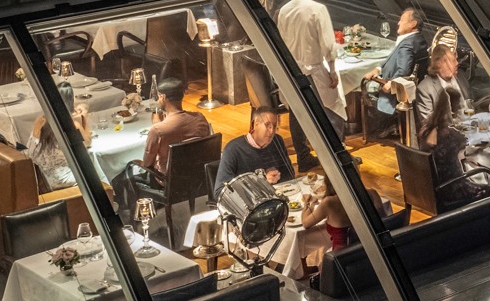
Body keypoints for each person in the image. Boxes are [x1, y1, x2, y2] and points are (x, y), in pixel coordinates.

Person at [412, 44, 490, 208]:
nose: (457, 63)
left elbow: (471, 108)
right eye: (452, 60)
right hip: (451, 170)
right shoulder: (425, 88)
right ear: (439, 63)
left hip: (465, 139)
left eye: (456, 59)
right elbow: (427, 120)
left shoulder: (461, 78)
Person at [112, 77, 209, 214]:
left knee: (125, 173)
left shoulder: (158, 130)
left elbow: (147, 164)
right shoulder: (200, 118)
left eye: (158, 97)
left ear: (163, 97)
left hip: (170, 182)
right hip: (197, 176)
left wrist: (157, 126)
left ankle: (134, 218)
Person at [276, 0, 347, 137]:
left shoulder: (284, 10)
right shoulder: (317, 9)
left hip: (292, 71)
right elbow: (328, 45)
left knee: (298, 113)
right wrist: (333, 70)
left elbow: (280, 41)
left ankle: (303, 156)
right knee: (331, 109)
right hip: (313, 70)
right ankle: (338, 150)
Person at [361, 7, 423, 139]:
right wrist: (378, 69)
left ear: (413, 24)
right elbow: (392, 59)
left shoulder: (407, 44)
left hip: (397, 92)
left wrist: (391, 83)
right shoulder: (418, 39)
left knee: (361, 87)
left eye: (402, 20)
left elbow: (404, 71)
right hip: (408, 87)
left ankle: (385, 124)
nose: (398, 23)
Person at [214, 106, 295, 192]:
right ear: (254, 125)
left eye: (274, 126)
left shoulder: (277, 141)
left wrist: (279, 177)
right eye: (267, 125)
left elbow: (290, 175)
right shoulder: (233, 149)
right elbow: (220, 190)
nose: (272, 131)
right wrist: (262, 182)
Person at [28, 85, 92, 191]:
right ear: (71, 101)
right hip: (63, 180)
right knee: (94, 171)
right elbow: (87, 143)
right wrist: (84, 118)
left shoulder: (40, 121)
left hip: (42, 178)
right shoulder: (71, 126)